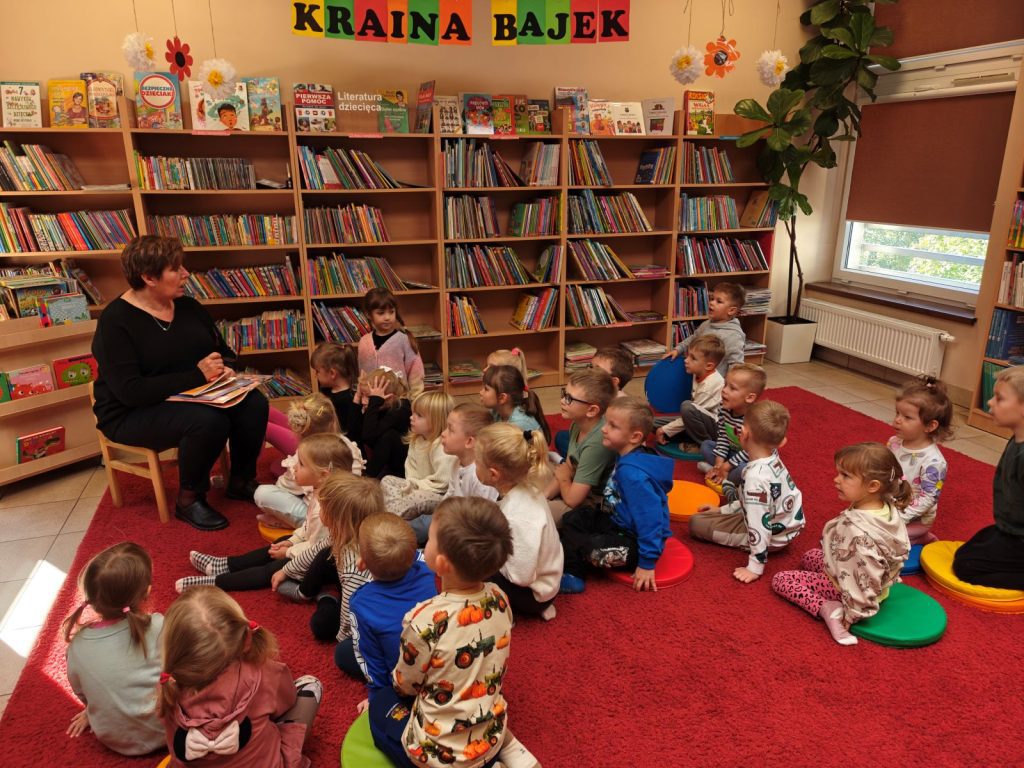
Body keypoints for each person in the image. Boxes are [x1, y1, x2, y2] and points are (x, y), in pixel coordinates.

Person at [92, 235, 269, 531]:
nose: (186, 273)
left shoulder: (188, 307)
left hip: (192, 395)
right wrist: (197, 376)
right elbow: (131, 392)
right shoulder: (115, 321)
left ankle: (240, 481)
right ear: (149, 277)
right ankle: (189, 499)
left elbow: (223, 351)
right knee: (207, 421)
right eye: (176, 269)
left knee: (254, 403)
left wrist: (224, 367)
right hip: (130, 412)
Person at [370, 496, 538, 768]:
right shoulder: (499, 597)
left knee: (381, 703)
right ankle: (507, 748)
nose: (425, 542)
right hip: (489, 737)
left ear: (442, 563)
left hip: (438, 757)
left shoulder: (424, 620)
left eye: (430, 538)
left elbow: (406, 685)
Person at [157, 587, 322, 767]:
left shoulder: (168, 685)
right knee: (311, 685)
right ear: (245, 638)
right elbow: (288, 700)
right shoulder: (263, 672)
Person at [772, 442, 911, 646]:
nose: (836, 479)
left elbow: (864, 575)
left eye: (845, 476)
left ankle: (828, 607)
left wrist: (854, 612)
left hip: (850, 590)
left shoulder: (856, 533)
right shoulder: (884, 505)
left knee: (782, 580)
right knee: (810, 556)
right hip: (873, 583)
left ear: (873, 486)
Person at [176, 434, 353, 592]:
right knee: (278, 543)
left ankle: (217, 583)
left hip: (321, 563)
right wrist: (291, 541)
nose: (294, 467)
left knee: (272, 569)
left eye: (301, 464)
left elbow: (317, 550)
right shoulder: (320, 491)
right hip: (311, 549)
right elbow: (307, 528)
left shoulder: (329, 509)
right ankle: (227, 565)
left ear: (323, 475)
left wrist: (289, 553)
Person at [271, 474, 384, 675]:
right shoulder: (344, 533)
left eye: (322, 507)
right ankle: (321, 594)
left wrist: (342, 638)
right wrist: (286, 570)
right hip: (354, 595)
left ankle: (326, 597)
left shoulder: (354, 567)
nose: (319, 509)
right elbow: (317, 551)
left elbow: (350, 611)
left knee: (324, 631)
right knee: (326, 554)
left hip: (365, 617)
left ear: (336, 518)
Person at [559, 396, 672, 594]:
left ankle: (574, 576)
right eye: (606, 422)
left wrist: (647, 562)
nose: (603, 429)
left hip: (635, 543)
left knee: (592, 550)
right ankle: (572, 559)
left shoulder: (633, 476)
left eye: (612, 426)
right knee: (574, 518)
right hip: (617, 522)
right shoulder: (626, 455)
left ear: (634, 437)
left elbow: (650, 519)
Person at [63, 542, 164, 756]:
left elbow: (82, 691)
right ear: (147, 592)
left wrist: (92, 710)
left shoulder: (77, 646)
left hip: (114, 738)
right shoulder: (157, 625)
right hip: (168, 728)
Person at [690, 400, 804, 583]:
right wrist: (722, 510)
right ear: (782, 442)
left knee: (696, 523)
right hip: (783, 523)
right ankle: (728, 506)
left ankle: (757, 555)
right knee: (729, 508)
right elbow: (759, 501)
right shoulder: (773, 457)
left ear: (743, 434)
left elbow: (759, 525)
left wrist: (755, 567)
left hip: (772, 537)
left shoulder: (754, 478)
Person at [348, 514, 437, 712]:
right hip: (440, 666)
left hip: (404, 684)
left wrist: (378, 696)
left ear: (362, 563)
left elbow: (370, 657)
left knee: (343, 653)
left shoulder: (361, 603)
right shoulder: (431, 571)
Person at [476, 423, 562, 620]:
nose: (474, 465)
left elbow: (520, 576)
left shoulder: (518, 515)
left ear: (493, 474)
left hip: (532, 595)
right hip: (544, 584)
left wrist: (490, 553)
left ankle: (504, 615)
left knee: (472, 557)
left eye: (477, 462)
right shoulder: (527, 489)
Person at [953, 365, 1024, 588]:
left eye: (999, 398)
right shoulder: (1017, 438)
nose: (990, 403)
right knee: (967, 551)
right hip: (1011, 528)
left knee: (966, 566)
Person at [257, 394, 364, 528]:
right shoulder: (347, 444)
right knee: (276, 467)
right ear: (333, 422)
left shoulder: (308, 453)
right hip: (348, 506)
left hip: (326, 517)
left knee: (262, 493)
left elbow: (286, 486)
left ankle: (302, 524)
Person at [409, 403, 498, 546]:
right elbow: (450, 495)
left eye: (450, 430)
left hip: (467, 531)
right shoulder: (456, 463)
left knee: (423, 524)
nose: (443, 433)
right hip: (453, 517)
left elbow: (481, 523)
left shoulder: (480, 476)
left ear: (469, 441)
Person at [546, 369, 618, 527]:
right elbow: (569, 466)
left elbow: (573, 500)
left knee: (536, 517)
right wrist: (543, 497)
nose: (562, 401)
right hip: (574, 484)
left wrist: (563, 479)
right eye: (564, 394)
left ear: (592, 410)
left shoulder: (596, 443)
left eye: (569, 398)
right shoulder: (577, 424)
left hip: (592, 503)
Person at [888, 376, 953, 545]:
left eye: (907, 417)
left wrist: (899, 518)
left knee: (878, 540)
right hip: (889, 507)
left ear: (930, 426)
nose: (897, 420)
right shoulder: (894, 442)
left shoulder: (934, 462)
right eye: (897, 413)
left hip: (913, 520)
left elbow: (928, 498)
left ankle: (922, 538)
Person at [381, 391, 458, 520]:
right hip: (419, 488)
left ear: (436, 420)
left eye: (419, 415)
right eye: (413, 413)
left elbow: (442, 483)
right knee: (387, 480)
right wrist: (410, 486)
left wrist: (415, 488)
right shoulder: (416, 440)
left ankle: (392, 519)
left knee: (415, 498)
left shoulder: (443, 445)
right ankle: (395, 512)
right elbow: (411, 470)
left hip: (439, 496)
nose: (412, 417)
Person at [698, 363, 766, 488]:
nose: (724, 390)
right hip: (734, 452)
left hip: (752, 458)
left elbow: (750, 451)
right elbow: (723, 437)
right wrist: (719, 463)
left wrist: (727, 465)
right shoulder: (724, 409)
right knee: (706, 445)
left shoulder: (755, 420)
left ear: (749, 398)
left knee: (744, 470)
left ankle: (723, 475)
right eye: (725, 384)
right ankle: (720, 471)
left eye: (732, 388)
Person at [655, 334, 725, 450]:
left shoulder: (709, 385)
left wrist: (665, 429)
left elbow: (691, 412)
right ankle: (689, 437)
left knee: (687, 407)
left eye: (693, 358)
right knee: (653, 423)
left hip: (716, 429)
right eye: (687, 355)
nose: (686, 360)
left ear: (708, 366)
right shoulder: (699, 372)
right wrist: (664, 429)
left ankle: (705, 445)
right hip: (698, 419)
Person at [664, 282, 746, 376]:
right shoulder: (706, 324)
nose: (711, 302)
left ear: (731, 310)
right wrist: (678, 350)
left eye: (719, 301)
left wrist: (729, 383)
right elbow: (693, 338)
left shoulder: (733, 336)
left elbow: (736, 365)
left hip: (716, 383)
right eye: (712, 299)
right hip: (699, 377)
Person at [358, 288, 425, 399]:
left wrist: (414, 400)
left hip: (399, 402)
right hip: (371, 403)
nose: (387, 317)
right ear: (369, 314)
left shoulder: (404, 340)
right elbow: (363, 376)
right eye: (381, 313)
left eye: (391, 312)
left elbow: (416, 374)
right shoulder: (364, 342)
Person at [356, 368, 414, 478]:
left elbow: (368, 436)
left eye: (368, 397)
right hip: (388, 465)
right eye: (362, 396)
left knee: (388, 435)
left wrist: (374, 402)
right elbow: (355, 434)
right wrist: (356, 398)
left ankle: (367, 479)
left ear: (387, 396)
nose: (363, 401)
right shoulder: (381, 406)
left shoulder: (401, 408)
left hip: (404, 469)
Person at [480, 364, 551, 446]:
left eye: (486, 389)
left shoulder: (518, 424)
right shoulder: (496, 411)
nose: (480, 392)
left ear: (502, 398)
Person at [310, 341, 360, 437]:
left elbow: (351, 434)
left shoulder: (349, 399)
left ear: (332, 373)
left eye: (317, 371)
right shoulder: (326, 390)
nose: (315, 375)